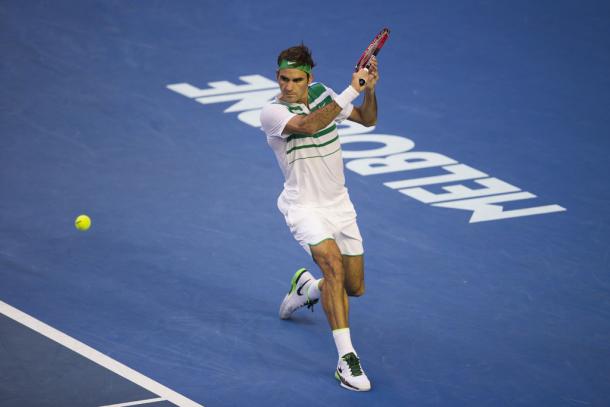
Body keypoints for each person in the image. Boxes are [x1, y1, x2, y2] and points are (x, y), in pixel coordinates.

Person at [259, 44, 379, 392]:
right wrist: (351, 89)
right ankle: (347, 360)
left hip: (339, 205)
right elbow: (310, 126)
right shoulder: (272, 112)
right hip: (304, 206)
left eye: (297, 79)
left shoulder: (323, 94)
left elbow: (367, 119)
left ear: (308, 78)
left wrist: (369, 91)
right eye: (284, 78)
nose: (289, 86)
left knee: (352, 287)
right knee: (332, 265)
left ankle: (307, 289)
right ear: (277, 76)